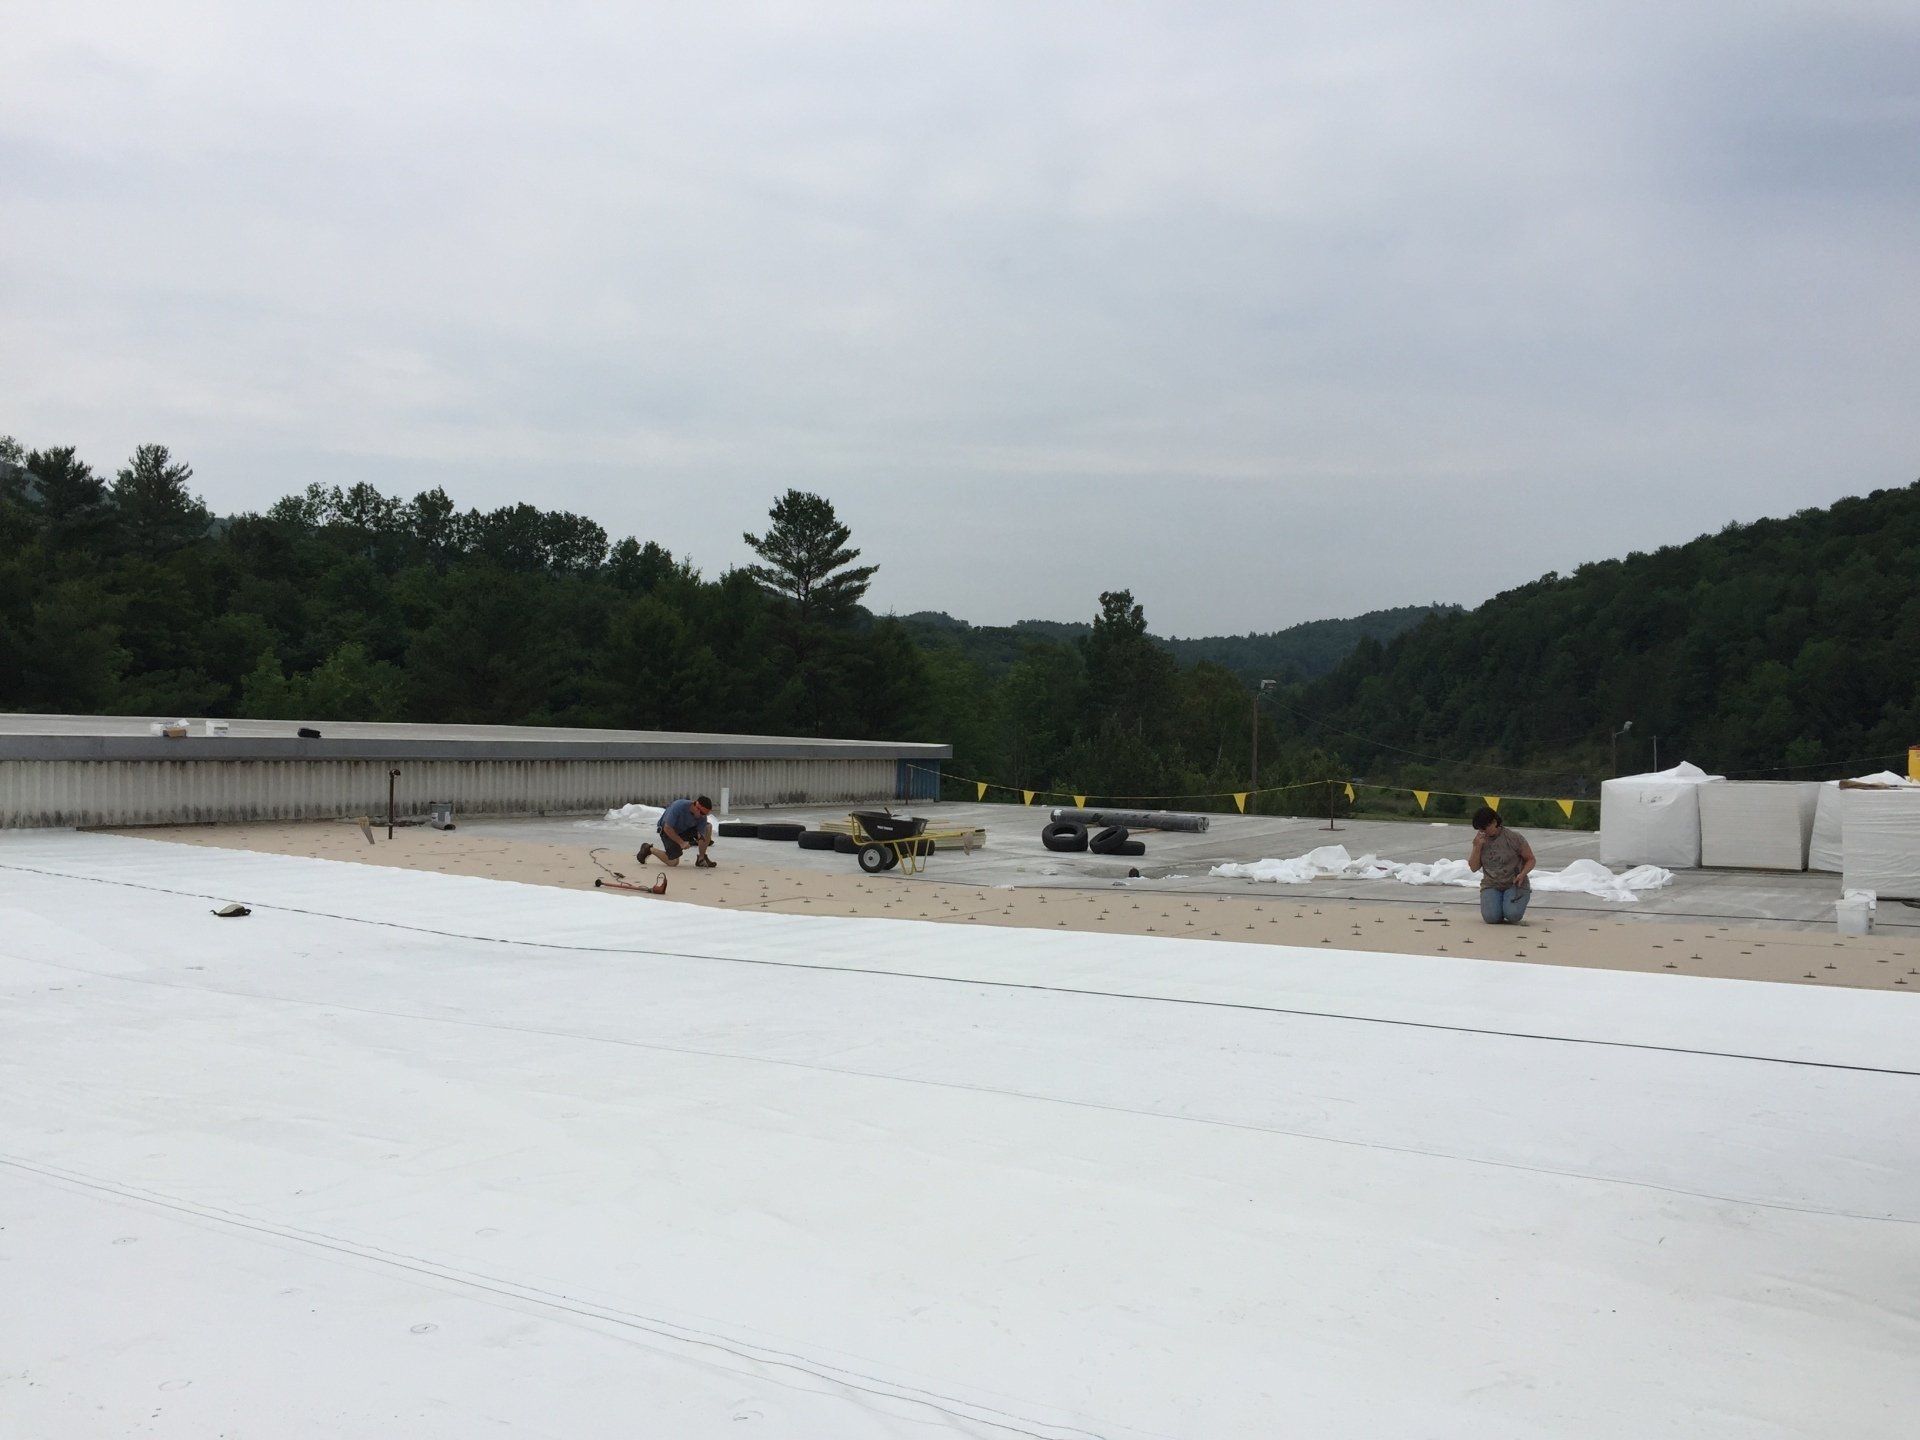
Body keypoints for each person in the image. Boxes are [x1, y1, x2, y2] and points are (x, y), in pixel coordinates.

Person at [1468, 805, 1534, 923]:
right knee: (1491, 918)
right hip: (1491, 884)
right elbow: (1473, 867)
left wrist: (1523, 874)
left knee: (1513, 915)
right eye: (1480, 829)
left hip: (1514, 883)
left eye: (1485, 827)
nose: (1483, 831)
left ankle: (1514, 902)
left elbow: (1531, 859)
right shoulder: (1480, 841)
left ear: (1494, 822)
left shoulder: (1514, 837)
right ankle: (1498, 907)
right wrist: (1477, 847)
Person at [638, 795, 716, 869]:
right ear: (696, 807)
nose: (703, 816)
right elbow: (667, 828)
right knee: (673, 862)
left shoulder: (702, 816)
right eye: (702, 813)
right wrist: (681, 843)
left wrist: (701, 838)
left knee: (708, 827)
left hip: (685, 829)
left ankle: (701, 859)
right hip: (668, 831)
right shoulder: (678, 806)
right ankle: (649, 849)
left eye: (705, 814)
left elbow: (701, 833)